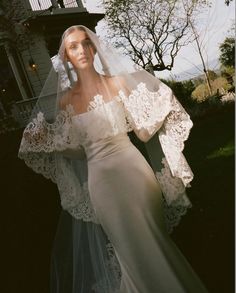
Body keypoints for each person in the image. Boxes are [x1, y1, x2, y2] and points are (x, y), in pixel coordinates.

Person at [18, 25, 208, 293]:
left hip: (136, 176)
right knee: (128, 253)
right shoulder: (65, 102)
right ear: (66, 57)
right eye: (73, 46)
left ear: (94, 48)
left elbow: (142, 133)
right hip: (102, 186)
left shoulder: (117, 83)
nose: (81, 50)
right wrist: (51, 144)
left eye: (86, 43)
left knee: (154, 242)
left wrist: (162, 101)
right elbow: (80, 150)